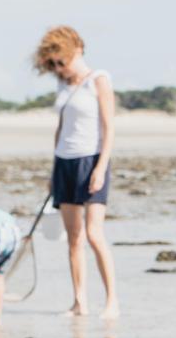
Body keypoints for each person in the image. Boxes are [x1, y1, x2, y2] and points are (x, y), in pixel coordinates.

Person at [33, 25, 118, 319]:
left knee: (95, 234)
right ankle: (79, 301)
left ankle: (111, 302)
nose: (59, 68)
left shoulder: (99, 79)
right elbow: (61, 128)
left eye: (62, 61)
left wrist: (101, 167)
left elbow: (109, 127)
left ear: (77, 50)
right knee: (73, 238)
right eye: (53, 64)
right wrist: (53, 170)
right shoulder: (63, 84)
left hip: (91, 159)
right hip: (64, 162)